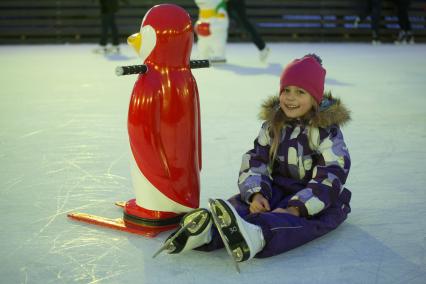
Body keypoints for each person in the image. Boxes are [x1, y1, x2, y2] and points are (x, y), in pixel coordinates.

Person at [157, 54, 352, 263]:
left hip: (318, 198)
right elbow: (256, 159)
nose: (290, 97)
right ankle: (207, 231)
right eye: (286, 90)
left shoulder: (325, 132)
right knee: (239, 206)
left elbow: (331, 175)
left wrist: (296, 208)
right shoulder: (274, 125)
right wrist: (256, 194)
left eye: (300, 92)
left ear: (316, 97)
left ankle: (258, 235)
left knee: (294, 224)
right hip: (276, 188)